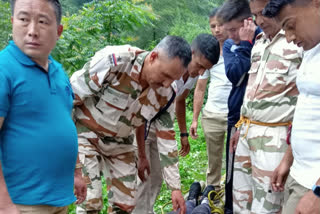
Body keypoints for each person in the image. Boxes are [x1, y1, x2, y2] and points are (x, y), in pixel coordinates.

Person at [70, 36, 192, 214]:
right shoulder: (115, 61)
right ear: (153, 57)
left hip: (120, 142)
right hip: (85, 135)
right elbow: (68, 98)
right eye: (165, 75)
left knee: (126, 205)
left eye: (173, 79)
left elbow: (165, 139)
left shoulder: (167, 93)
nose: (166, 83)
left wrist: (175, 187)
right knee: (91, 201)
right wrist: (73, 164)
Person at [0, 0, 87, 214]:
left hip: (59, 199)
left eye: (42, 21)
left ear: (58, 31)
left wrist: (76, 172)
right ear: (12, 23)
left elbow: (64, 121)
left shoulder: (59, 72)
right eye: (23, 20)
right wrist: (4, 204)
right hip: (21, 204)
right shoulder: (4, 69)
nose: (32, 31)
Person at [228, 0, 303, 212]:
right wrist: (240, 127)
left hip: (275, 138)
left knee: (267, 205)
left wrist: (289, 153)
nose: (260, 20)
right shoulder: (259, 42)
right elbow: (252, 90)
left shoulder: (298, 42)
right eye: (255, 15)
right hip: (246, 132)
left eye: (264, 13)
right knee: (240, 200)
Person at [133, 33, 220, 214]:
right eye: (201, 66)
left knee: (155, 178)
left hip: (160, 123)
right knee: (140, 181)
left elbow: (178, 103)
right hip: (139, 125)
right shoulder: (164, 66)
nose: (202, 72)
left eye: (206, 69)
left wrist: (183, 134)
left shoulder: (190, 76)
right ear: (192, 53)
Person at [263, 1, 320, 213]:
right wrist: (288, 159)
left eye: (290, 25)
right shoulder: (312, 49)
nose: (289, 37)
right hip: (300, 173)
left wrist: (318, 192)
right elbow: (307, 109)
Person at [215, 1, 262, 213]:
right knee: (234, 171)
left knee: (259, 173)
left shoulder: (265, 38)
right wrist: (244, 44)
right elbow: (235, 74)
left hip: (262, 120)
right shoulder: (230, 45)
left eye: (234, 30)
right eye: (228, 30)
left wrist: (250, 42)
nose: (231, 34)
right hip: (237, 118)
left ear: (248, 21)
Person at [190, 8, 232, 193]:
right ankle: (212, 192)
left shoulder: (241, 48)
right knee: (213, 159)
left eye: (220, 25)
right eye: (212, 26)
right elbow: (200, 89)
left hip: (235, 115)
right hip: (213, 113)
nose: (216, 30)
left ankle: (232, 192)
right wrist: (194, 119)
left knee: (235, 159)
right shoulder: (206, 54)